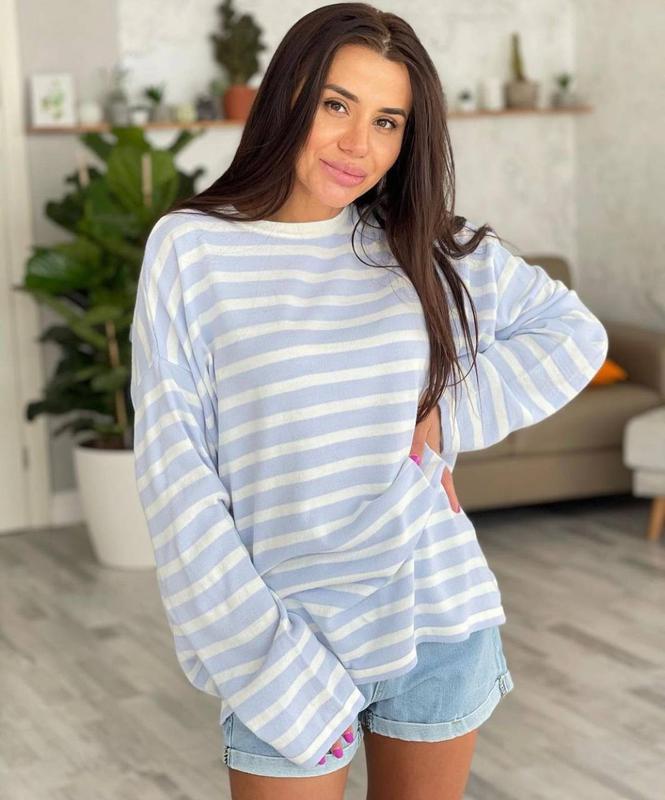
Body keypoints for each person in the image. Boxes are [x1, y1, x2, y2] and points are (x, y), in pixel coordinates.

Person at [129, 3, 608, 798]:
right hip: (284, 635)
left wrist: (446, 414)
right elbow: (175, 475)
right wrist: (262, 659)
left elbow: (572, 332)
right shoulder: (192, 248)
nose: (359, 144)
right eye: (336, 105)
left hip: (435, 620)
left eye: (387, 121)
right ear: (288, 98)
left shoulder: (418, 245)